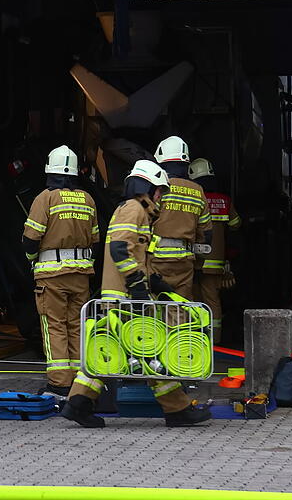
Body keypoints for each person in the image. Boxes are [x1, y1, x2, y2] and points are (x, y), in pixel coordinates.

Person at [60, 160, 212, 428]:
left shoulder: (135, 211)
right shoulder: (134, 210)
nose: (162, 198)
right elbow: (120, 249)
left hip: (121, 296)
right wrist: (138, 286)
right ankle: (177, 410)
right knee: (151, 350)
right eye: (160, 192)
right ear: (149, 188)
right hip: (126, 297)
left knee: (111, 353)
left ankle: (78, 404)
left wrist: (156, 284)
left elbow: (135, 254)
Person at [22, 146, 99, 397]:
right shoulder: (88, 199)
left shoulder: (45, 198)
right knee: (77, 326)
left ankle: (58, 383)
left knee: (54, 326)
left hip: (51, 276)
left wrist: (32, 260)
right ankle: (79, 383)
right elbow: (96, 241)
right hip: (81, 275)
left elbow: (30, 240)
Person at [151, 136, 212, 300]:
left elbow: (141, 223)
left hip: (155, 262)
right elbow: (206, 234)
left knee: (152, 312)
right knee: (180, 311)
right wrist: (198, 265)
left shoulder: (157, 188)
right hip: (185, 263)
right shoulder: (198, 190)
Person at [188, 158, 241, 343]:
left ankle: (194, 339)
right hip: (216, 263)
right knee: (212, 300)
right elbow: (236, 225)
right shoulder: (225, 201)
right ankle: (215, 341)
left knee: (193, 299)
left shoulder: (194, 198)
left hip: (194, 259)